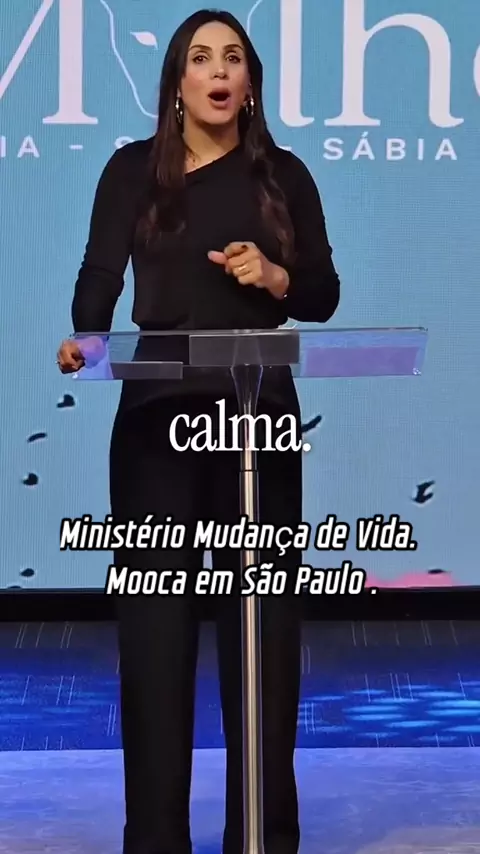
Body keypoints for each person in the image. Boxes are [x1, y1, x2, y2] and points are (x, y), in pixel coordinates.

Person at [57, 9, 340, 854]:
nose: (218, 70)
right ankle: (155, 839)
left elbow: (321, 294)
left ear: (249, 83)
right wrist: (87, 337)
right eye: (201, 58)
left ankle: (263, 836)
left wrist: (276, 275)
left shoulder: (284, 176)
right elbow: (99, 274)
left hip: (258, 422)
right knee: (155, 637)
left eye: (233, 58)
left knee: (264, 636)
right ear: (176, 82)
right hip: (157, 426)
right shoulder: (132, 170)